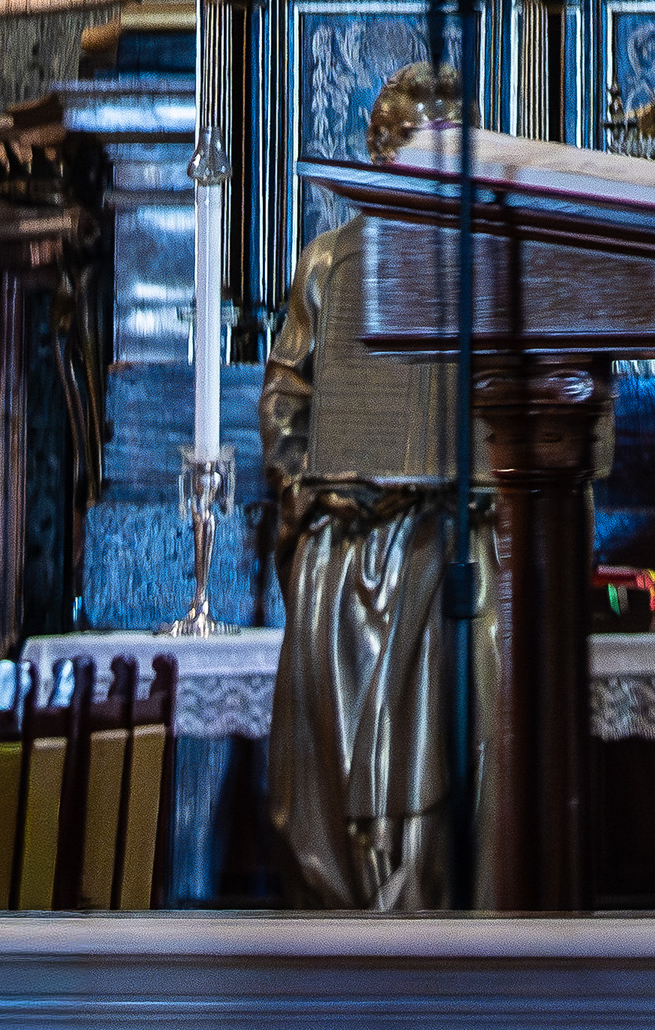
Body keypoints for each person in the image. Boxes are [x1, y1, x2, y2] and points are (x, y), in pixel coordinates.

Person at [260, 63, 502, 908]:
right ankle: (358, 908)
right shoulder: (329, 265)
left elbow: (523, 407)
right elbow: (288, 400)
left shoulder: (492, 268)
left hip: (453, 552)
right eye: (410, 149)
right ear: (379, 154)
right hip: (346, 546)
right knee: (336, 749)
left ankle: (439, 900)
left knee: (457, 728)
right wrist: (311, 494)